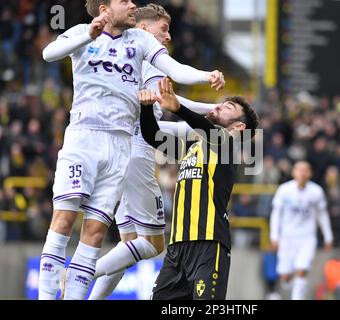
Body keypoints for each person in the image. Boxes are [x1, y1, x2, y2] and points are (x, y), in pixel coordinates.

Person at [38, 0, 224, 300]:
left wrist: (206, 80)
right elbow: (48, 54)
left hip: (122, 146)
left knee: (100, 234)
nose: (132, 4)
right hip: (86, 137)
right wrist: (90, 34)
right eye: (124, 0)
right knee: (67, 220)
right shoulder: (81, 33)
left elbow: (175, 75)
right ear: (104, 8)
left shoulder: (140, 43)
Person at [88, 4, 217, 300]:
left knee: (128, 243)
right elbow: (170, 103)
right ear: (144, 30)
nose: (169, 36)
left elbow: (167, 111)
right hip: (136, 151)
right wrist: (213, 110)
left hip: (112, 149)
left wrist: (207, 119)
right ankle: (80, 271)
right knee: (154, 243)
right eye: (164, 29)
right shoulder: (145, 57)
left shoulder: (121, 53)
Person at [139, 77, 258, 300]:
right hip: (176, 248)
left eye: (228, 106)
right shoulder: (193, 147)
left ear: (239, 126)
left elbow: (209, 131)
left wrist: (179, 108)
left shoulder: (228, 145)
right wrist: (146, 108)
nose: (219, 105)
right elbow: (152, 136)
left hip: (208, 245)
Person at [270, 161, 333, 300]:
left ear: (310, 173)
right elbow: (276, 214)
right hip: (287, 237)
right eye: (299, 170)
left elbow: (322, 214)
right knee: (285, 276)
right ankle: (292, 279)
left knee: (302, 269)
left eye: (305, 170)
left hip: (307, 237)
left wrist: (328, 237)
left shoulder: (316, 191)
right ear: (294, 172)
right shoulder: (284, 190)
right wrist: (274, 236)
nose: (302, 173)